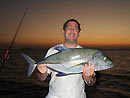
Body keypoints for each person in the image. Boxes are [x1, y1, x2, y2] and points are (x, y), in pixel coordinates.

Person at [37, 19, 96, 98]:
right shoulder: (53, 51)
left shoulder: (85, 53)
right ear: (63, 32)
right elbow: (41, 78)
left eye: (75, 28)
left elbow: (92, 83)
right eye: (69, 28)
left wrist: (88, 78)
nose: (72, 31)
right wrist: (42, 73)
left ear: (78, 33)